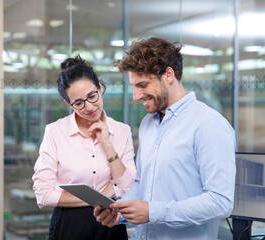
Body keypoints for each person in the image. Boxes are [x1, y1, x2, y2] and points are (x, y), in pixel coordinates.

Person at [94, 37, 236, 240]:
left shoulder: (209, 125)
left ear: (168, 75)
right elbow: (142, 183)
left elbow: (220, 202)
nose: (136, 95)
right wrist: (121, 210)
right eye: (134, 86)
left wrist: (153, 212)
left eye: (142, 85)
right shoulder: (148, 124)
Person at [32, 55, 137, 240]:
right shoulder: (55, 132)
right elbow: (43, 193)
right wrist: (99, 198)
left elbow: (127, 184)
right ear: (68, 104)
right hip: (69, 223)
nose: (89, 107)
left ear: (99, 86)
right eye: (79, 103)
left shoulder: (122, 131)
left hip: (110, 221)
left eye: (92, 96)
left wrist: (107, 143)